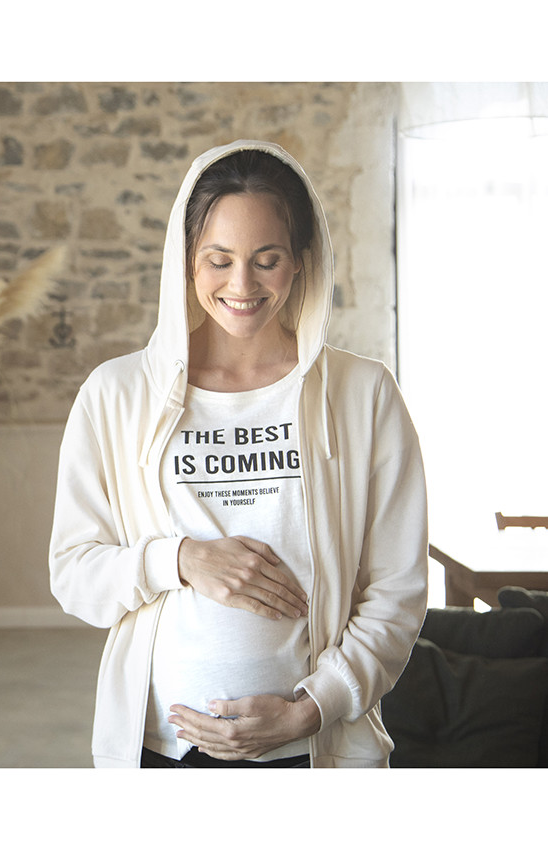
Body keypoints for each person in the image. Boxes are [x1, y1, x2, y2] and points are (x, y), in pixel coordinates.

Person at [49, 139, 428, 768]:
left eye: (267, 259)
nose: (241, 284)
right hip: (162, 752)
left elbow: (397, 591)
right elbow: (74, 576)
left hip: (315, 751)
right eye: (217, 259)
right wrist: (183, 560)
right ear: (186, 262)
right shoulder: (115, 395)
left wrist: (311, 707)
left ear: (303, 261)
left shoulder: (365, 395)